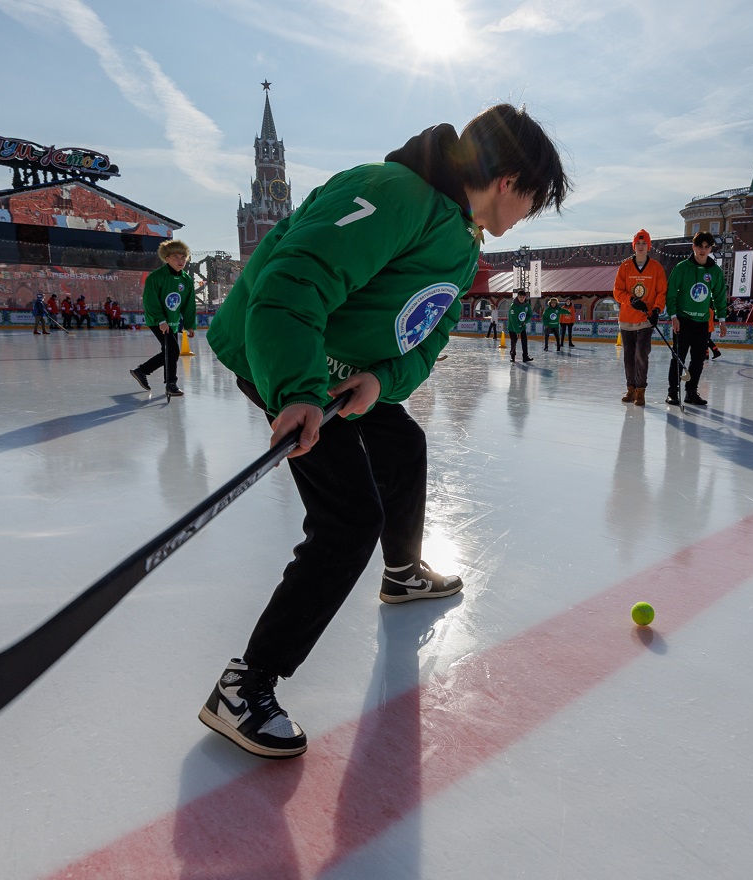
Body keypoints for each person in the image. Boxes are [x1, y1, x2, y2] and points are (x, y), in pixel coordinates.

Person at [199, 103, 569, 758]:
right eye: (534, 201)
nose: (528, 217)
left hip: (339, 378)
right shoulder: (394, 192)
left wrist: (380, 381)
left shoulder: (461, 240)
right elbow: (293, 279)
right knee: (347, 521)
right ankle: (245, 684)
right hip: (283, 358)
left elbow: (427, 337)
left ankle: (401, 572)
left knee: (402, 444)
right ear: (510, 179)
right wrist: (298, 390)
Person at [665, 230, 727, 406]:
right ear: (693, 247)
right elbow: (671, 294)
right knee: (678, 357)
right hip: (683, 321)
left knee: (698, 360)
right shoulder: (682, 268)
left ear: (711, 249)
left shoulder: (714, 271)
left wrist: (722, 320)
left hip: (702, 323)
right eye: (700, 246)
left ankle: (691, 392)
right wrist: (674, 316)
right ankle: (673, 392)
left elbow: (719, 296)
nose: (703, 250)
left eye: (707, 247)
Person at [130, 239, 196, 397]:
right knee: (173, 351)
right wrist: (161, 320)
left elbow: (188, 304)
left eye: (183, 257)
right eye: (175, 257)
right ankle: (171, 383)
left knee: (169, 350)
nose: (180, 261)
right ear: (167, 258)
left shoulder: (186, 280)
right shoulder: (156, 277)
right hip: (157, 320)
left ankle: (142, 371)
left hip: (173, 321)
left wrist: (189, 324)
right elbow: (150, 301)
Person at [612, 228, 667, 406]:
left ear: (649, 246)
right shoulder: (625, 267)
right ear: (634, 246)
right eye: (638, 243)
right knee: (629, 356)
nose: (641, 246)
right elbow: (617, 291)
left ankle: (641, 390)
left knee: (641, 354)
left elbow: (661, 292)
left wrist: (657, 310)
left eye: (644, 243)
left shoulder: (656, 268)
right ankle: (631, 388)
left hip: (645, 320)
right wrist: (631, 300)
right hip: (627, 319)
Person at [507, 289, 535, 362]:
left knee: (524, 341)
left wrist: (525, 321)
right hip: (513, 328)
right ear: (517, 297)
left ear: (525, 297)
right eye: (520, 297)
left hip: (522, 327)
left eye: (523, 297)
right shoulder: (513, 306)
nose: (522, 299)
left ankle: (525, 356)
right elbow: (513, 320)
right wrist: (517, 331)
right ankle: (512, 356)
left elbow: (530, 314)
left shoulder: (527, 305)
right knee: (514, 341)